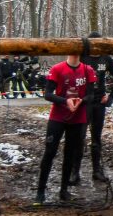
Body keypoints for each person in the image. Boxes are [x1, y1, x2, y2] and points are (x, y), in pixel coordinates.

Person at [35, 54, 96, 204]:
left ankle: (64, 190)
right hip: (58, 116)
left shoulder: (88, 70)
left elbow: (91, 95)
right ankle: (40, 191)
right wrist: (64, 101)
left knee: (70, 153)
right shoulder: (57, 69)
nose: (74, 52)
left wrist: (81, 101)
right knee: (50, 151)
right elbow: (47, 95)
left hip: (78, 116)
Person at [69, 31, 113, 185]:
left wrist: (110, 97)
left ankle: (97, 171)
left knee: (96, 139)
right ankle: (74, 172)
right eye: (94, 45)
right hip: (83, 103)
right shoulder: (82, 57)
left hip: (99, 103)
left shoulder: (105, 58)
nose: (97, 49)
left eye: (100, 45)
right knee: (79, 138)